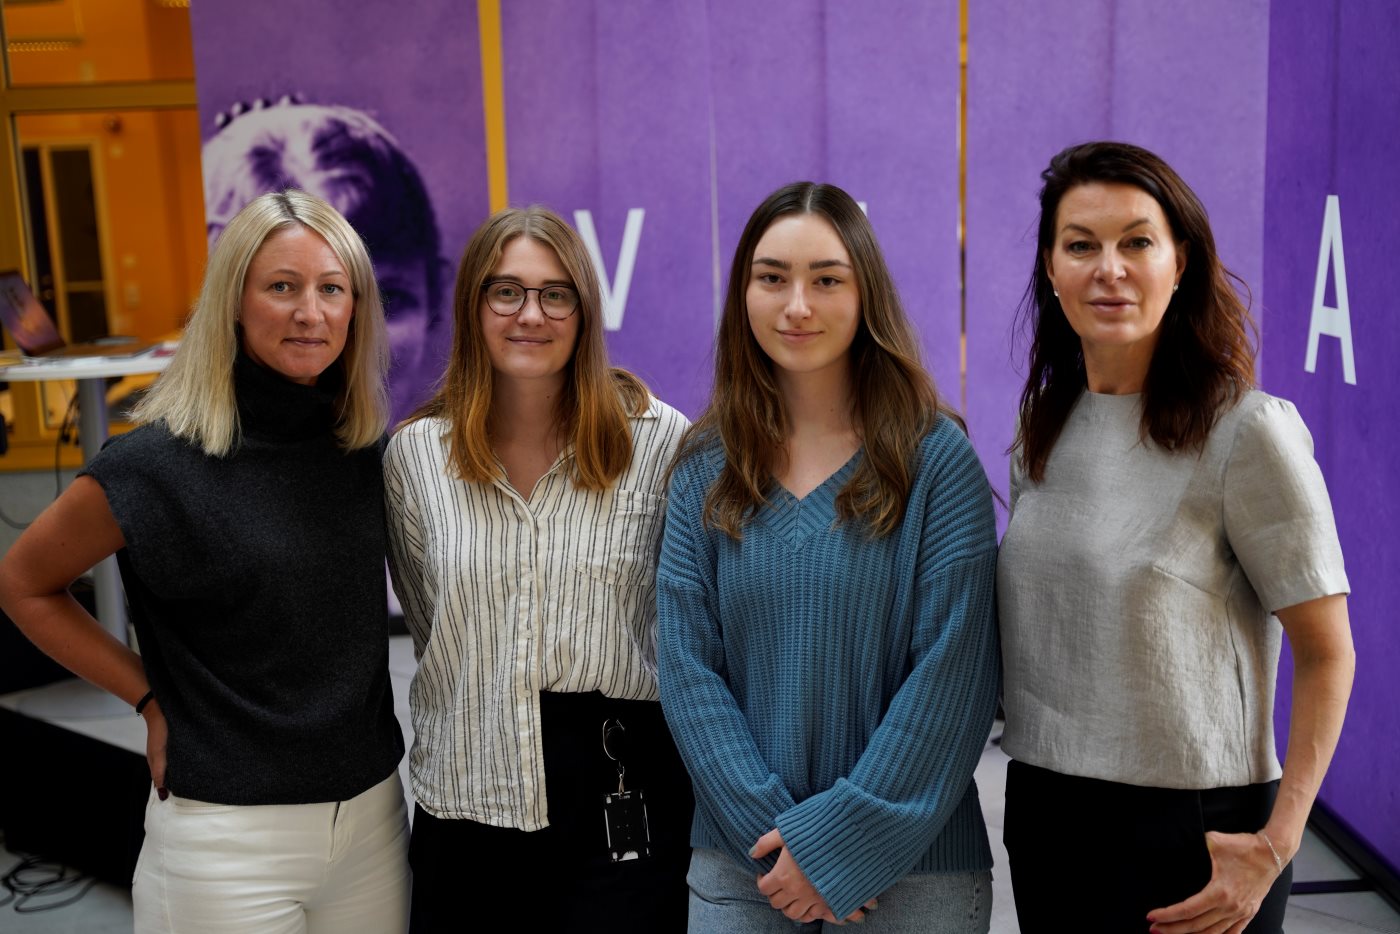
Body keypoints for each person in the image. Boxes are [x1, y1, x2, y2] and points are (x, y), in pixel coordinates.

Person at [0, 189, 409, 933]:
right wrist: (148, 699)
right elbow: (22, 584)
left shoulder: (361, 451)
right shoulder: (153, 465)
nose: (310, 312)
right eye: (281, 286)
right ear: (233, 302)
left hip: (372, 821)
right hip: (225, 839)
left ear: (357, 309)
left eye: (331, 289)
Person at [998, 141, 1354, 934]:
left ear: (1180, 262)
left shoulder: (1247, 431)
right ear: (1051, 267)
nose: (1109, 270)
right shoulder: (1043, 425)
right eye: (1081, 245)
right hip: (1048, 817)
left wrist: (1277, 842)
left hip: (1197, 832)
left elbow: (1329, 653)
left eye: (1137, 242)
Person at [658, 181, 1000, 932]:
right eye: (772, 277)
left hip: (913, 874)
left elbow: (954, 678)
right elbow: (687, 670)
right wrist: (783, 843)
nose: (797, 306)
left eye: (826, 280)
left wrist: (838, 845)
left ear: (865, 292)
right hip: (744, 863)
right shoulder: (704, 466)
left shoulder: (936, 462)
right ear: (743, 293)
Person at [384, 205, 694, 932]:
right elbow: (432, 624)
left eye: (556, 294)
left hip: (621, 790)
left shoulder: (656, 442)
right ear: (473, 306)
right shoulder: (416, 456)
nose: (531, 314)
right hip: (468, 795)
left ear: (585, 313)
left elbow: (681, 625)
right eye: (506, 292)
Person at [202, 99, 448, 422]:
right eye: (283, 287)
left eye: (388, 300)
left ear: (436, 298)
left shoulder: (415, 450)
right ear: (230, 298)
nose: (334, 325)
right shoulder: (156, 455)